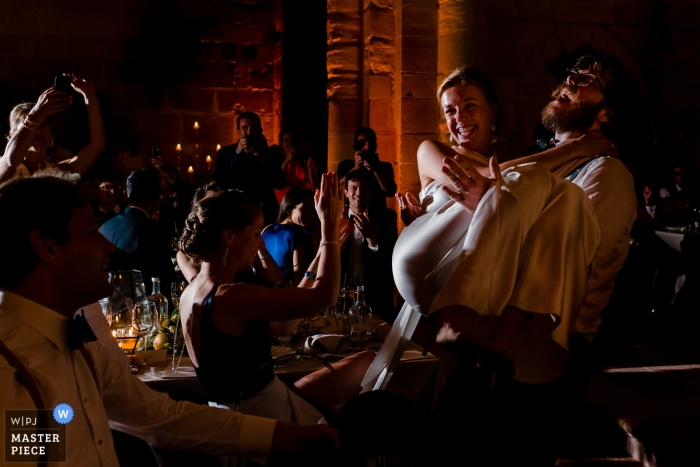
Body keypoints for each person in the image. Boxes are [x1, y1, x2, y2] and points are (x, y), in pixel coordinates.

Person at [0, 176, 340, 466]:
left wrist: (281, 435)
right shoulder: (8, 370)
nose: (108, 244)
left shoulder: (84, 343)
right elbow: (34, 457)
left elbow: (159, 417)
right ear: (47, 247)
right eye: (92, 232)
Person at [383, 66, 604, 465]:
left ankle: (512, 325)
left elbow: (505, 196)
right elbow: (486, 178)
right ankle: (459, 314)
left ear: (493, 111)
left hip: (476, 277)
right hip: (424, 257)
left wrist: (498, 197)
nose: (459, 117)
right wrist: (578, 149)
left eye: (470, 106)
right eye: (450, 110)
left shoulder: (519, 181)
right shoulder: (431, 150)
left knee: (569, 201)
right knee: (531, 180)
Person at [178, 173, 374, 424]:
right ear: (229, 236)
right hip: (262, 415)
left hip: (232, 412)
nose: (261, 243)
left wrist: (315, 263)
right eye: (257, 233)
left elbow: (284, 325)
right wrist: (329, 230)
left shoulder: (194, 290)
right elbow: (325, 297)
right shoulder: (230, 296)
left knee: (366, 362)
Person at [0, 73, 106, 183]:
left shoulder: (58, 172)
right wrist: (36, 114)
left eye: (43, 124)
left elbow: (96, 146)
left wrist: (90, 95)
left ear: (51, 133)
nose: (38, 130)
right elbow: (10, 161)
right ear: (12, 135)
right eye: (30, 126)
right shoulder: (5, 167)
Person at [99, 169, 174, 296]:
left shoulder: (105, 226)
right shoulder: (155, 232)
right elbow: (166, 280)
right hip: (139, 308)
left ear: (125, 195)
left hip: (103, 303)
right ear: (156, 199)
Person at [342, 170, 398, 321]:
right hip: (342, 292)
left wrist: (370, 237)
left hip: (376, 291)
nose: (358, 193)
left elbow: (390, 258)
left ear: (371, 192)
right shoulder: (335, 218)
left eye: (364, 188)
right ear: (346, 192)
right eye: (354, 188)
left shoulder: (386, 217)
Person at [215, 111, 285, 224]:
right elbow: (219, 178)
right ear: (238, 131)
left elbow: (280, 182)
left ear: (260, 131)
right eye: (244, 128)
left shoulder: (269, 153)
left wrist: (263, 158)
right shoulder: (226, 152)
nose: (249, 132)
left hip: (265, 214)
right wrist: (237, 153)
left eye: (253, 128)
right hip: (236, 211)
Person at [263, 187, 316, 284]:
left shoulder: (266, 229)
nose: (311, 213)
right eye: (304, 208)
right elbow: (299, 279)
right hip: (285, 295)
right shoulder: (297, 233)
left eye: (313, 208)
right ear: (289, 209)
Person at [337, 127, 397, 211]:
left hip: (376, 216)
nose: (367, 147)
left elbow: (390, 191)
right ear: (356, 146)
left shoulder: (384, 167)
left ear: (375, 146)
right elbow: (337, 189)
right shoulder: (345, 166)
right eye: (362, 143)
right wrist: (355, 167)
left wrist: (374, 169)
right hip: (350, 214)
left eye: (370, 142)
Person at [274, 130, 319, 203]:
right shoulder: (278, 161)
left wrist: (309, 167)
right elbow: (277, 180)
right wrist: (287, 159)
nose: (289, 143)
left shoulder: (306, 162)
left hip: (303, 201)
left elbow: (315, 189)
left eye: (292, 140)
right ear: (281, 144)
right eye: (286, 140)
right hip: (286, 201)